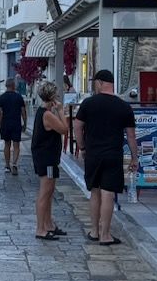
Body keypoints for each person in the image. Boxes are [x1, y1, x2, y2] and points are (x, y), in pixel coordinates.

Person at [73, 68, 137, 246]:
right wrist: (134, 158)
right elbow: (131, 136)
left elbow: (77, 126)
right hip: (113, 155)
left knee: (94, 192)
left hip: (93, 154)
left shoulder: (88, 103)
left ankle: (94, 231)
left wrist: (82, 146)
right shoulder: (124, 106)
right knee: (108, 194)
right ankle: (105, 234)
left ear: (100, 83)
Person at [31, 80, 70, 240]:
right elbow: (64, 129)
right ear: (52, 96)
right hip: (46, 158)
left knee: (49, 191)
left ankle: (48, 224)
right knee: (45, 192)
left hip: (49, 157)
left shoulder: (44, 112)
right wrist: (61, 111)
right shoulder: (47, 115)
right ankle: (41, 228)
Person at [0, 77, 28, 175]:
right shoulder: (19, 97)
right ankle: (14, 164)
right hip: (16, 123)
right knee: (16, 145)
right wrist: (25, 123)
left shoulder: (1, 98)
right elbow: (23, 111)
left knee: (7, 144)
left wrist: (0, 123)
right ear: (14, 86)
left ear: (6, 86)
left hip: (5, 123)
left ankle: (7, 165)